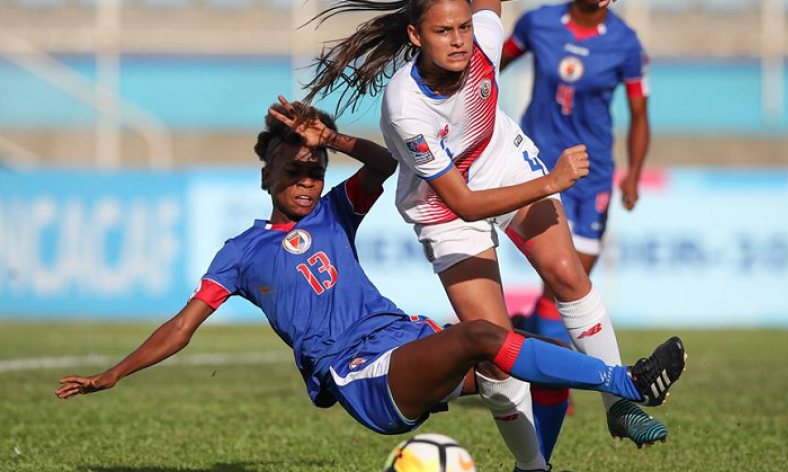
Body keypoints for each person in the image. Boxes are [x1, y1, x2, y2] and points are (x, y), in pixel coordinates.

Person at [54, 102, 686, 465]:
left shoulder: (335, 211)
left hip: (401, 340)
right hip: (361, 374)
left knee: (513, 370)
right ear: (266, 174)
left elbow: (385, 162)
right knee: (483, 336)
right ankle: (624, 384)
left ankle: (548, 457)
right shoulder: (242, 253)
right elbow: (183, 326)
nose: (307, 174)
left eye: (314, 166)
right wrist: (116, 372)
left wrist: (334, 138)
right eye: (294, 165)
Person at [302, 0, 657, 466]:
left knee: (568, 274)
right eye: (444, 31)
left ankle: (618, 407)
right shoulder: (406, 106)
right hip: (443, 206)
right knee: (495, 347)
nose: (459, 40)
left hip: (502, 162)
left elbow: (491, 6)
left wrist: (542, 181)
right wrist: (552, 182)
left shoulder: (484, 41)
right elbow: (462, 203)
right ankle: (533, 466)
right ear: (415, 36)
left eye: (465, 27)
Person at [499, 0, 654, 446]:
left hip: (592, 174)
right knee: (563, 276)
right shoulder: (537, 23)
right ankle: (555, 378)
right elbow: (487, 71)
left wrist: (635, 175)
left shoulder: (625, 43)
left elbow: (640, 115)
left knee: (573, 275)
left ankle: (543, 359)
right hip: (534, 165)